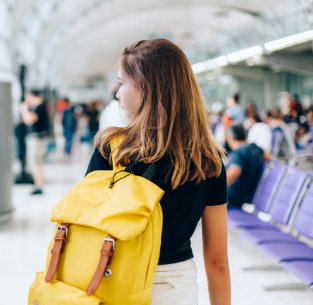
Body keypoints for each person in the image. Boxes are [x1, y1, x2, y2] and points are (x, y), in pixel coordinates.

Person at [85, 39, 230, 305]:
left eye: (121, 83)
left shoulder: (113, 150)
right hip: (177, 288)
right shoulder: (208, 160)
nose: (117, 93)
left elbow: (86, 230)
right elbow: (217, 262)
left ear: (146, 87)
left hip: (114, 281)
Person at [226, 123, 266, 209]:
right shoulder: (255, 148)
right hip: (245, 195)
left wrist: (215, 189)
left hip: (232, 198)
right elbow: (268, 155)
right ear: (245, 135)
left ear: (230, 138)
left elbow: (235, 171)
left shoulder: (239, 152)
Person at [21, 89, 49, 195]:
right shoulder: (41, 107)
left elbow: (28, 120)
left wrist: (24, 109)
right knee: (37, 163)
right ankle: (38, 185)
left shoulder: (39, 107)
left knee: (37, 163)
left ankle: (39, 186)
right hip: (38, 139)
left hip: (37, 139)